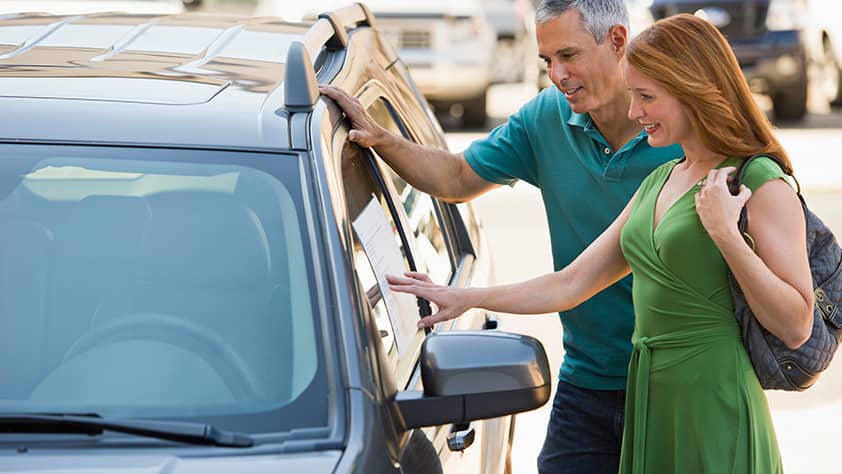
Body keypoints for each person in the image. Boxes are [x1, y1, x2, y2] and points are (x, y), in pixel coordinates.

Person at [387, 13, 814, 474]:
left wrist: (728, 236)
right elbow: (571, 283)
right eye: (634, 95)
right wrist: (460, 298)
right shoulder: (661, 179)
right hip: (647, 396)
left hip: (711, 405)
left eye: (647, 97)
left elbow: (796, 326)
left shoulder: (758, 180)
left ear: (692, 90)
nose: (634, 112)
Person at [320, 1, 681, 472]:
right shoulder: (545, 120)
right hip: (588, 381)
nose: (557, 75)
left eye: (568, 55)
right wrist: (383, 140)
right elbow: (456, 178)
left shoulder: (680, 124)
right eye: (547, 61)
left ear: (616, 41)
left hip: (676, 383)